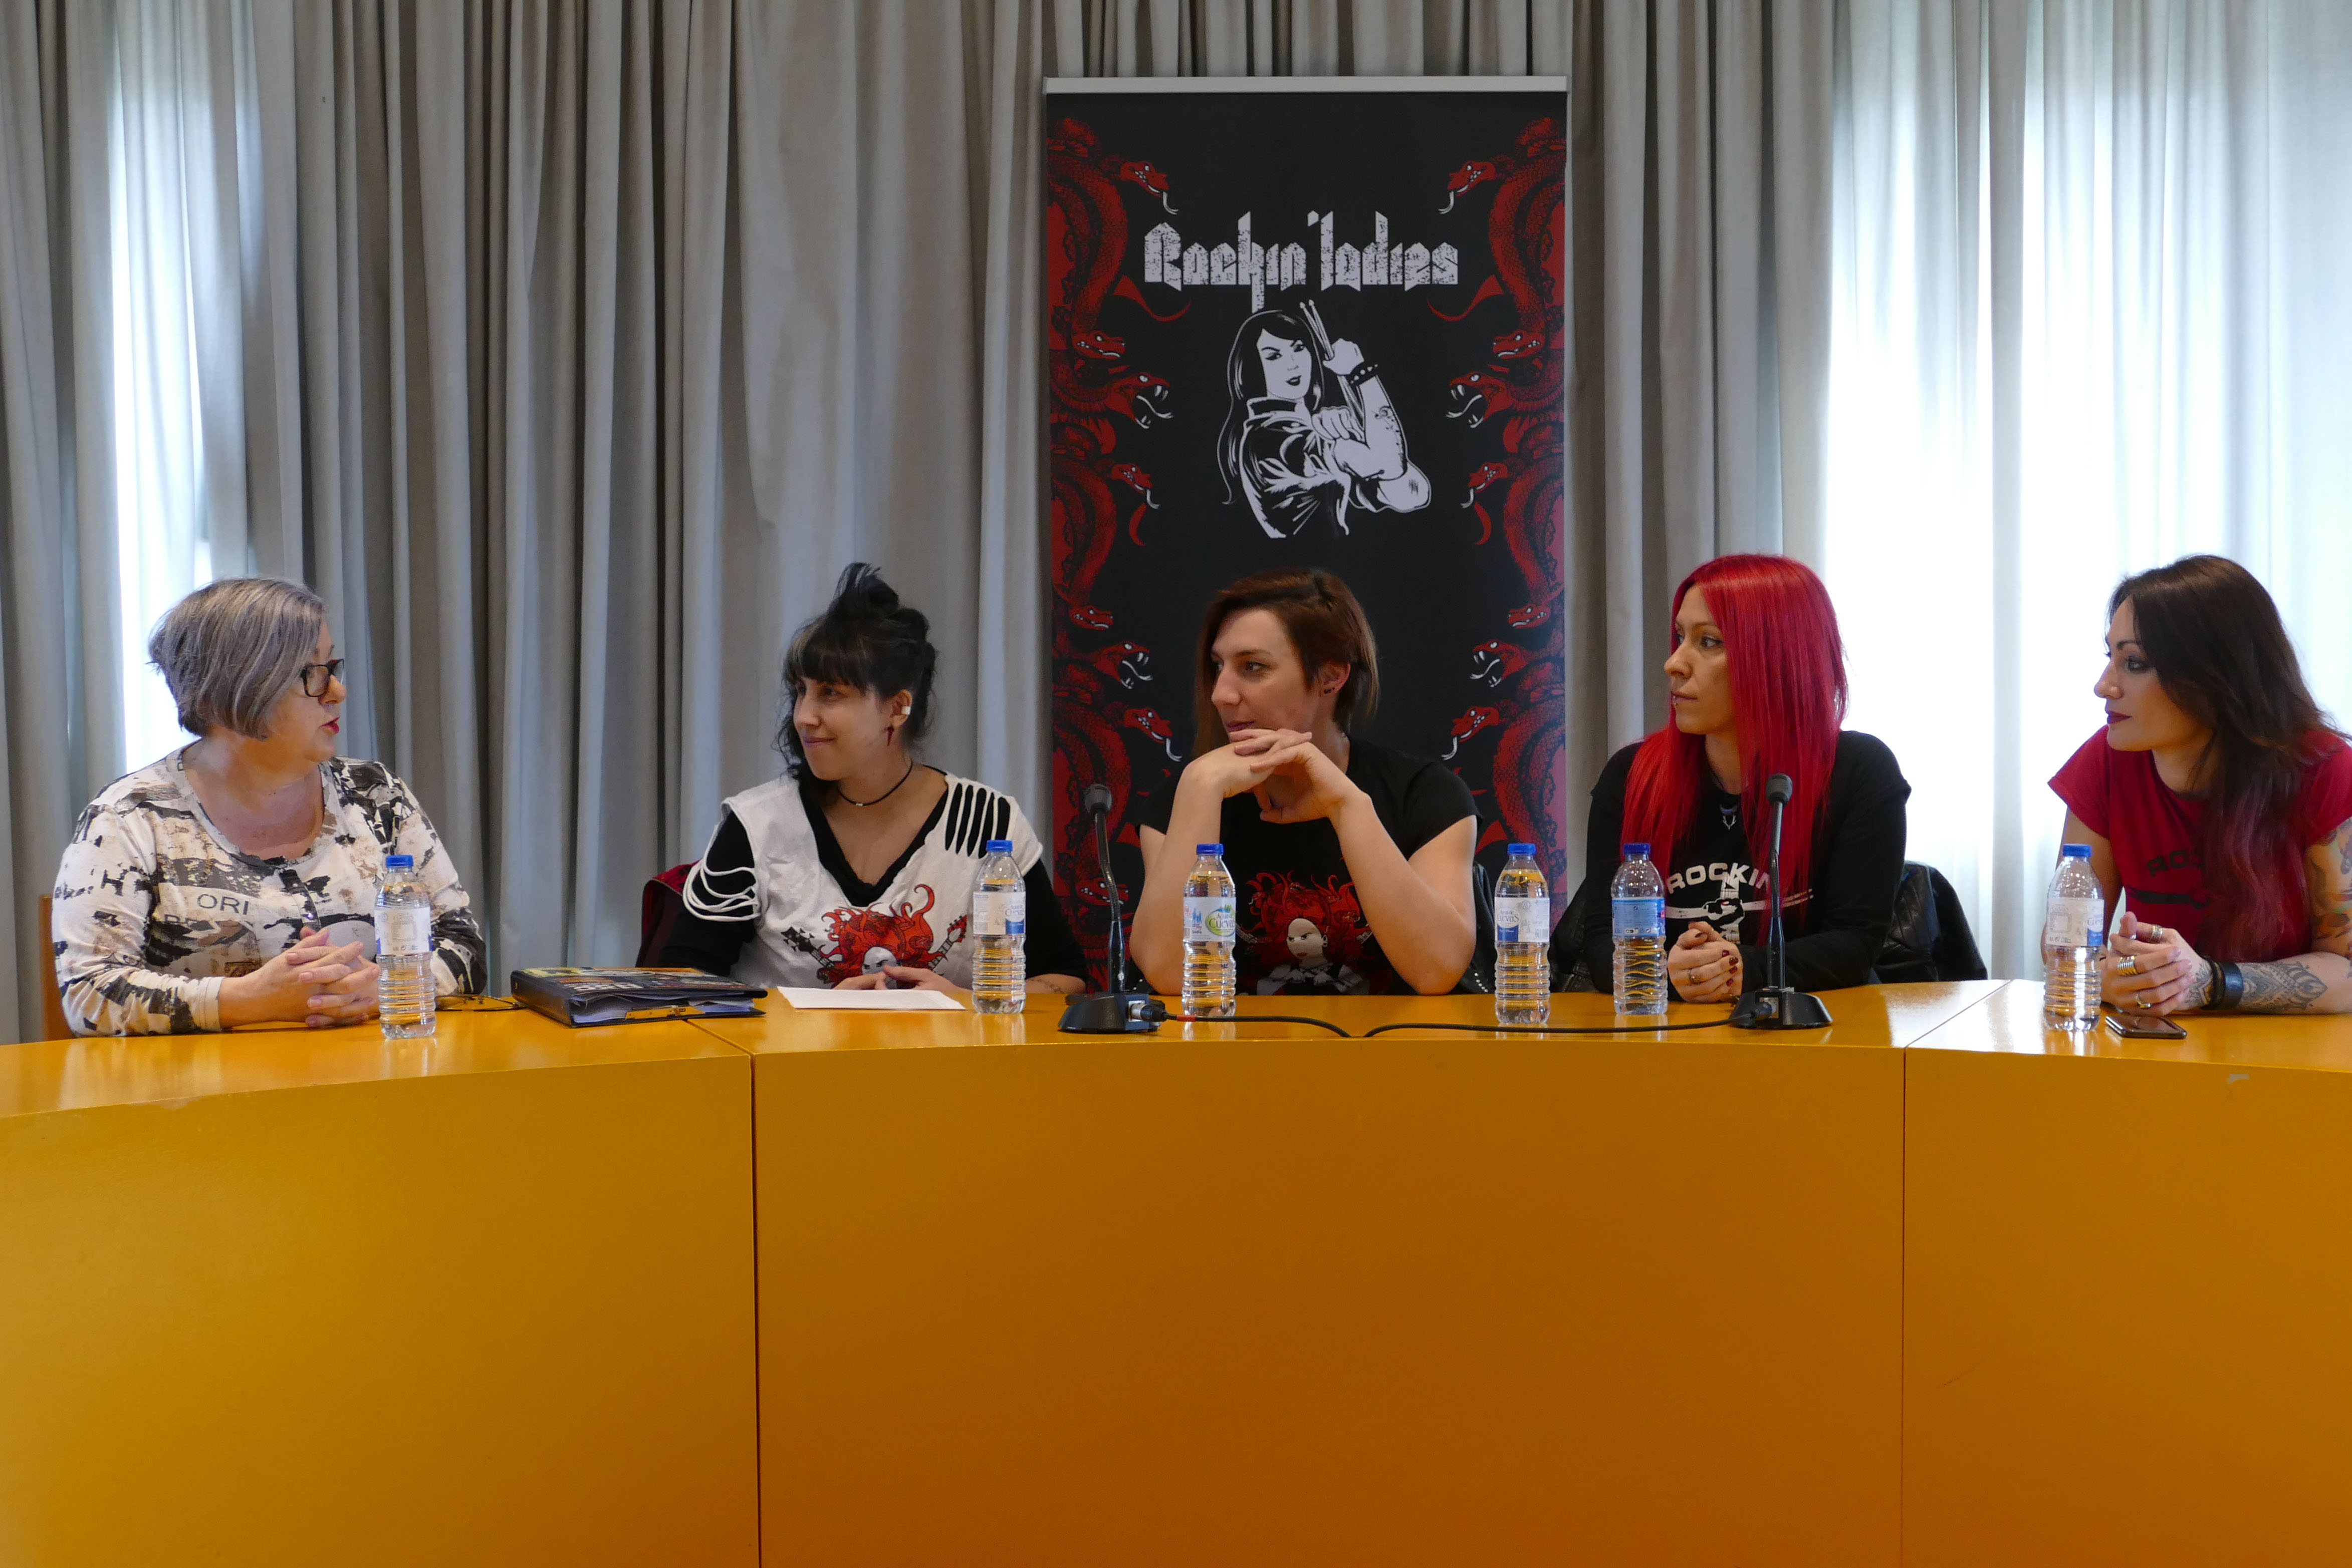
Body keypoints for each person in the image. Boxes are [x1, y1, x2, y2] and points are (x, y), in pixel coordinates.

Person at [51, 579, 485, 1034]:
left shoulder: (375, 793)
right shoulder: (129, 816)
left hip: (374, 1069)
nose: (337, 691)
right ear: (224, 693)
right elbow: (89, 993)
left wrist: (380, 989)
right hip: (206, 1080)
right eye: (310, 673)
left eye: (331, 667)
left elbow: (464, 946)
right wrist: (249, 1000)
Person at [659, 563, 1089, 995]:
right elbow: (676, 985)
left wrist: (969, 1002)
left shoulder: (989, 825)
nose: (804, 716)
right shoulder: (759, 826)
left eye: (831, 693)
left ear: (897, 708)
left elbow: (1065, 977)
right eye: (801, 691)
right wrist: (813, 1014)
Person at [1568, 554, 1910, 1000]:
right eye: (1680, 637)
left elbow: (1854, 945)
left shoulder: (1860, 772)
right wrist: (1668, 972)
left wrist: (1736, 968)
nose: (1674, 663)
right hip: (1668, 1032)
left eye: (1708, 641)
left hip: (1816, 1034)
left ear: (1778, 659)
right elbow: (1600, 942)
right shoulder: (1632, 776)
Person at [1131, 567, 1474, 996]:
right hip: (1232, 1039)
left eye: (1253, 667)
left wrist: (1347, 806)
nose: (1221, 694)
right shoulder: (1188, 796)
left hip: (1384, 1040)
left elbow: (1437, 970)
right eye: (1218, 666)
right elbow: (1167, 973)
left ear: (1331, 677)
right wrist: (1200, 788)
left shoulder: (1425, 795)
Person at [2052, 555, 2352, 1014]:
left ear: (2215, 677)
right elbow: (2066, 944)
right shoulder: (2105, 760)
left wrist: (2209, 982)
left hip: (2291, 1047)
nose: (2104, 686)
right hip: (2159, 1040)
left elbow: (2346, 968)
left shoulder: (2322, 767)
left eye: (2134, 663)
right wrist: (2106, 976)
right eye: (2110, 658)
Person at [1214, 305, 1431, 538]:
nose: (1293, 363)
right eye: (1274, 356)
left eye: (1299, 348)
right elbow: (1390, 463)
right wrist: (1362, 373)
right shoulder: (1272, 436)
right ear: (1252, 369)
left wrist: (1359, 437)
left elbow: (1412, 495)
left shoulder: (1302, 430)